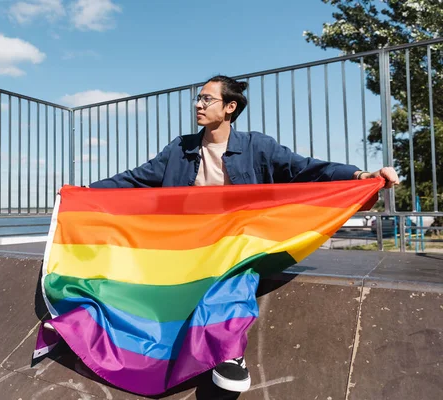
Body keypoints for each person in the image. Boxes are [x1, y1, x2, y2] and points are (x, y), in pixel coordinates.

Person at [74, 75, 399, 392]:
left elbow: (308, 168)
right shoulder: (181, 148)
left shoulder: (257, 146)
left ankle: (228, 352)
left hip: (242, 241)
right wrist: (85, 191)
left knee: (235, 272)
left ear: (230, 107)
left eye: (206, 98)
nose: (198, 105)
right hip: (190, 243)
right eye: (198, 98)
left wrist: (362, 174)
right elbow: (137, 179)